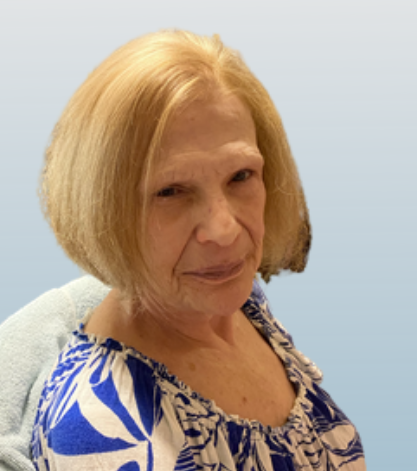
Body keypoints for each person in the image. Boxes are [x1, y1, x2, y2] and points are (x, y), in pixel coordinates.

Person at [31, 30, 366, 470]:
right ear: (104, 209)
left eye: (241, 176)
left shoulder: (236, 303)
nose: (224, 231)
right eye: (170, 191)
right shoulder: (106, 432)